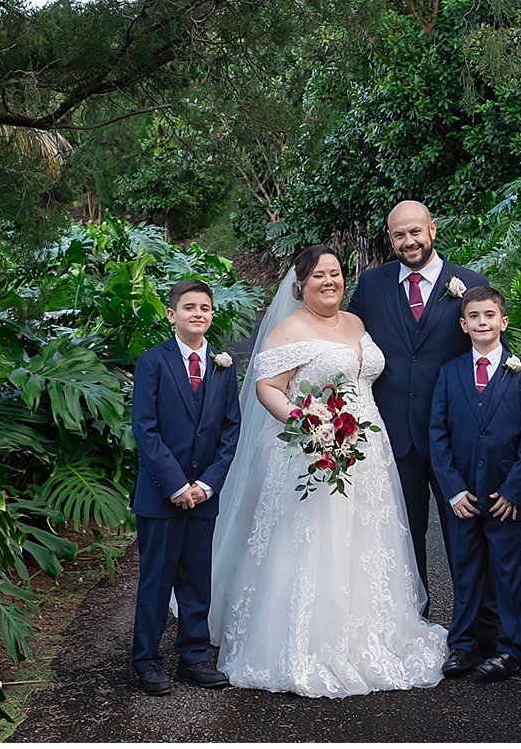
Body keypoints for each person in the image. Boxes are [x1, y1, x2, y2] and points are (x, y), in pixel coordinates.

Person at [206, 244, 447, 697]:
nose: (329, 281)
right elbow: (268, 388)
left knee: (367, 539)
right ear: (300, 283)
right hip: (315, 454)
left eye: (335, 273)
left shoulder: (356, 323)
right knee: (317, 540)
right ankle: (307, 641)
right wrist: (309, 425)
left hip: (370, 453)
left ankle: (372, 632)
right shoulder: (288, 329)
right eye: (319, 275)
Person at [350, 200, 497, 659]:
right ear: (389, 239)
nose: (408, 242)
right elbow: (340, 334)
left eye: (415, 232)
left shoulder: (469, 285)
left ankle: (473, 635)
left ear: (432, 229)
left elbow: (490, 361)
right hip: (391, 436)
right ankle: (408, 628)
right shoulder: (372, 285)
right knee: (399, 536)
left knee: (464, 536)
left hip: (456, 440)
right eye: (398, 236)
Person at [129, 279, 243, 696]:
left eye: (206, 308)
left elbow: (231, 430)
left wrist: (207, 484)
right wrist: (177, 485)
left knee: (197, 579)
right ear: (171, 314)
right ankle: (146, 661)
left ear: (212, 315)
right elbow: (146, 429)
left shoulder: (222, 365)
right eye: (189, 307)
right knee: (156, 580)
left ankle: (193, 658)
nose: (198, 313)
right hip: (162, 495)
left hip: (203, 495)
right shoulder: (152, 362)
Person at [429, 285, 521, 682]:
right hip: (464, 494)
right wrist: (453, 489)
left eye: (489, 316)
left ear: (503, 321)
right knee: (465, 568)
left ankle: (512, 647)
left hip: (503, 496)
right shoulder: (450, 373)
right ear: (463, 324)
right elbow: (437, 434)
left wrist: (514, 489)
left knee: (507, 570)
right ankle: (463, 644)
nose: (482, 323)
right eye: (474, 317)